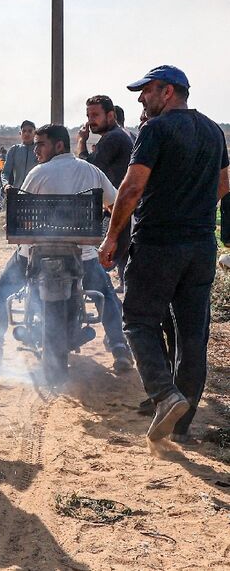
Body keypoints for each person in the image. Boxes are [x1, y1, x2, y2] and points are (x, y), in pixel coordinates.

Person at [99, 65, 230, 443]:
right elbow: (224, 187)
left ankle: (163, 394)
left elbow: (130, 189)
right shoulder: (213, 131)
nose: (141, 98)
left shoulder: (154, 130)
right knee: (193, 337)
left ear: (168, 91)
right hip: (201, 247)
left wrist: (111, 239)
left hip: (158, 244)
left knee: (138, 321)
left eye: (146, 91)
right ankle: (180, 427)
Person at [0, 124, 134, 372]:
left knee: (2, 289)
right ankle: (119, 348)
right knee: (106, 294)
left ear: (59, 145)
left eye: (41, 144)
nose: (36, 150)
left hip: (34, 254)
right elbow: (115, 203)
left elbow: (21, 212)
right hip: (81, 255)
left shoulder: (38, 173)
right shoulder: (92, 171)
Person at [76, 95, 135, 293]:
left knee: (98, 264)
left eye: (95, 115)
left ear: (110, 115)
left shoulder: (113, 138)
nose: (91, 120)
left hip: (119, 208)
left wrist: (81, 142)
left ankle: (110, 312)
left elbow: (87, 169)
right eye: (88, 115)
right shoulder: (119, 136)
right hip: (120, 207)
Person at [1, 120, 38, 189]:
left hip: (35, 193)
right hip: (17, 192)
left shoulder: (39, 150)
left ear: (35, 133)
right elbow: (5, 172)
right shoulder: (14, 150)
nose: (26, 134)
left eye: (30, 131)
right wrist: (6, 185)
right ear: (20, 133)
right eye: (24, 131)